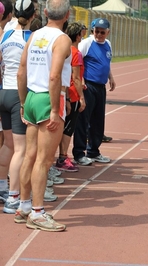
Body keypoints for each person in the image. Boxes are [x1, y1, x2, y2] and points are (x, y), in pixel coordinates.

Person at [16, 0, 71, 231]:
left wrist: (22, 102)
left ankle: (24, 206)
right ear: (67, 15)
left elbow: (21, 70)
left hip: (30, 97)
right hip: (49, 99)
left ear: (46, 12)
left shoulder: (34, 35)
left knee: (29, 156)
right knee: (44, 160)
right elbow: (54, 76)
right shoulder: (62, 39)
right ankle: (38, 213)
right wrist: (56, 110)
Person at [0, 0, 36, 214]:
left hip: (3, 90)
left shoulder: (5, 34)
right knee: (21, 149)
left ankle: (3, 186)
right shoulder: (32, 38)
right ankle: (14, 198)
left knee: (8, 146)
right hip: (18, 94)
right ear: (33, 15)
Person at [73, 18, 116, 165]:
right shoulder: (86, 43)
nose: (99, 34)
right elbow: (76, 62)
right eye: (96, 31)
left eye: (102, 32)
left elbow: (106, 63)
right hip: (88, 86)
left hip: (100, 87)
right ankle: (79, 153)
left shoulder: (108, 44)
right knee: (83, 120)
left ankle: (93, 151)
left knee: (98, 120)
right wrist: (81, 82)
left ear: (108, 32)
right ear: (92, 31)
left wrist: (111, 77)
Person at [55, 22, 86, 172]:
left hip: (64, 92)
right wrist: (81, 97)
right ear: (78, 36)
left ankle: (60, 156)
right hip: (72, 94)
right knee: (68, 128)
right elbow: (76, 77)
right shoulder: (76, 53)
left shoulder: (64, 49)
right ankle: (62, 157)